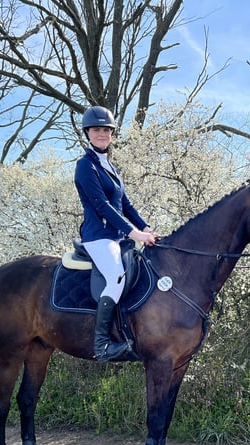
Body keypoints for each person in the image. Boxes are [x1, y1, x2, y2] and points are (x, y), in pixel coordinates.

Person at [74, 105, 157, 362]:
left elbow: (126, 204)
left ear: (111, 134)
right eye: (97, 130)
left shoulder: (110, 166)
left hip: (117, 237)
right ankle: (102, 345)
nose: (102, 134)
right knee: (117, 277)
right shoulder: (85, 166)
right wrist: (133, 234)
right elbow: (102, 206)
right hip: (99, 236)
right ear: (88, 133)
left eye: (106, 130)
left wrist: (145, 227)